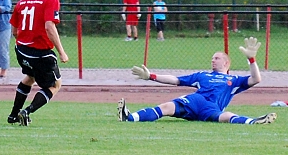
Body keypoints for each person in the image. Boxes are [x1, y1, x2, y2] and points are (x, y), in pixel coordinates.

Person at [118, 37, 276, 125]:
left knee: (227, 117)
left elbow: (256, 79)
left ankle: (254, 122)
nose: (213, 60)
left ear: (227, 63)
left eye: (217, 58)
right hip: (195, 101)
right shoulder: (202, 75)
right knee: (166, 107)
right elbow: (176, 80)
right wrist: (151, 76)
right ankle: (130, 118)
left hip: (212, 108)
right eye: (212, 58)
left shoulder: (233, 80)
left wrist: (251, 59)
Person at [7, 0, 70, 126]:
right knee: (55, 85)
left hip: (21, 50)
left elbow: (14, 30)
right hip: (40, 53)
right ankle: (26, 112)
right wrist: (61, 52)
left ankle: (13, 115)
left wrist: (24, 41)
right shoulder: (51, 0)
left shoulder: (22, 1)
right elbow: (50, 26)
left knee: (30, 78)